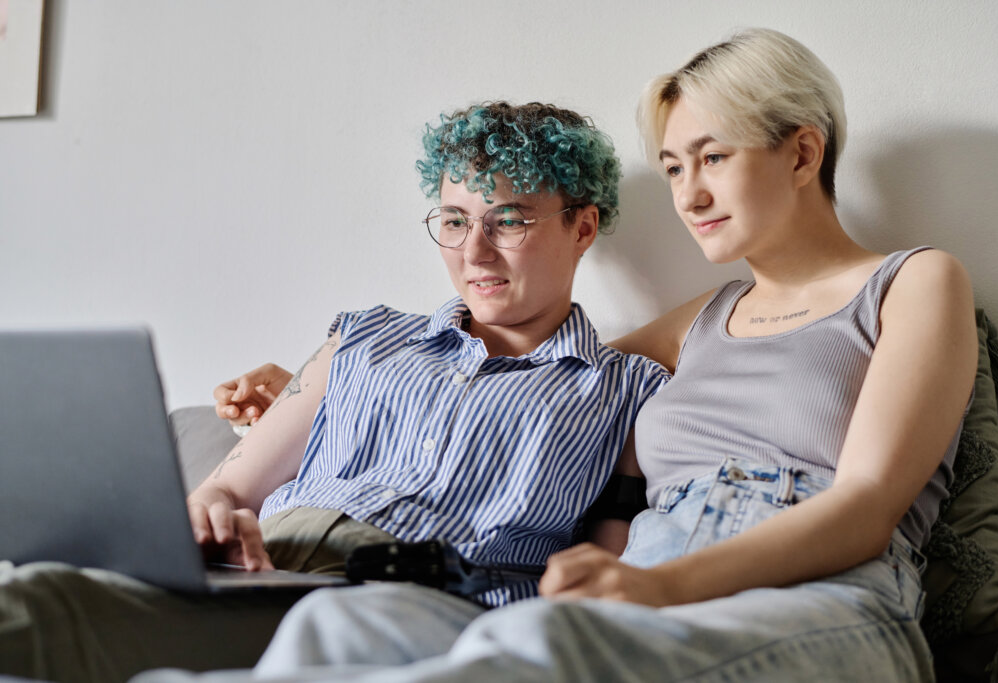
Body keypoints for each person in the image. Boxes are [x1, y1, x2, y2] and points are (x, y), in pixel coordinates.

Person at [144, 27, 977, 683]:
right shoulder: (702, 321)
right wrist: (320, 382)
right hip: (647, 574)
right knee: (342, 621)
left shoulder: (912, 282)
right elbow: (514, 380)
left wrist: (656, 587)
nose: (688, 195)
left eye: (713, 158)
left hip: (814, 590)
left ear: (802, 152)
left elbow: (868, 504)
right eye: (674, 165)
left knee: (548, 656)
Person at [0, 101, 668, 683]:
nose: (475, 253)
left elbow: (601, 584)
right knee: (32, 596)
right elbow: (225, 489)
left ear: (582, 226)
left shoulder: (628, 389)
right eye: (456, 220)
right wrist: (210, 516)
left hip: (412, 604)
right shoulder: (362, 339)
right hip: (264, 573)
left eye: (509, 220)